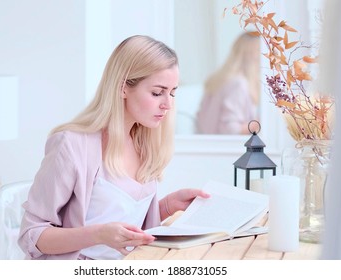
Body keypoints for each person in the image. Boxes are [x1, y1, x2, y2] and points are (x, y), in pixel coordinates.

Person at [18, 35, 210, 260]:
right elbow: (31, 235)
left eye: (173, 92)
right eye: (157, 93)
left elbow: (124, 220)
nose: (168, 104)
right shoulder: (71, 145)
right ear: (123, 88)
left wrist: (167, 206)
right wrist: (98, 234)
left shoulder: (143, 144)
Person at [195, 32, 261, 134]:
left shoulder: (219, 79)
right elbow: (231, 130)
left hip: (206, 144)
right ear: (254, 58)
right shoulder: (238, 84)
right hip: (223, 147)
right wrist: (260, 123)